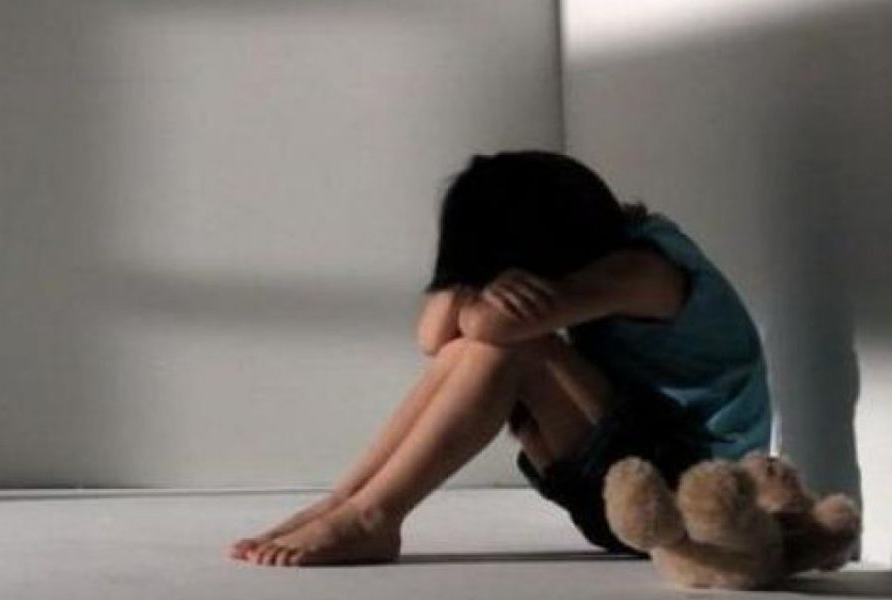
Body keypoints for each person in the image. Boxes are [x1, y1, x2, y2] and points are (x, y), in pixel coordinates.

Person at [227, 150, 772, 566]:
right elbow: (434, 338)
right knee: (471, 349)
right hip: (629, 482)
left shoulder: (642, 271)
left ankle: (374, 516)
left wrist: (483, 288)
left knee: (516, 351)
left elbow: (493, 326)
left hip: (685, 503)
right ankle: (348, 501)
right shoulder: (596, 253)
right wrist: (474, 275)